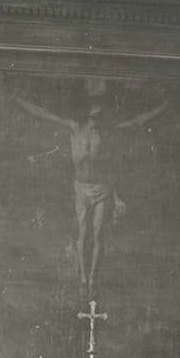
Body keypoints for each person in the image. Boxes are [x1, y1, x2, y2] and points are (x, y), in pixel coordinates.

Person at [17, 94, 167, 300]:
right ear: (87, 114)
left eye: (100, 116)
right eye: (95, 115)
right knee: (83, 232)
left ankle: (92, 279)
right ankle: (82, 278)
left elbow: (137, 121)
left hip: (101, 188)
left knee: (97, 234)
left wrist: (162, 108)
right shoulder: (74, 127)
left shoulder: (107, 131)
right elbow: (44, 114)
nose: (98, 119)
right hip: (81, 187)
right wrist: (20, 100)